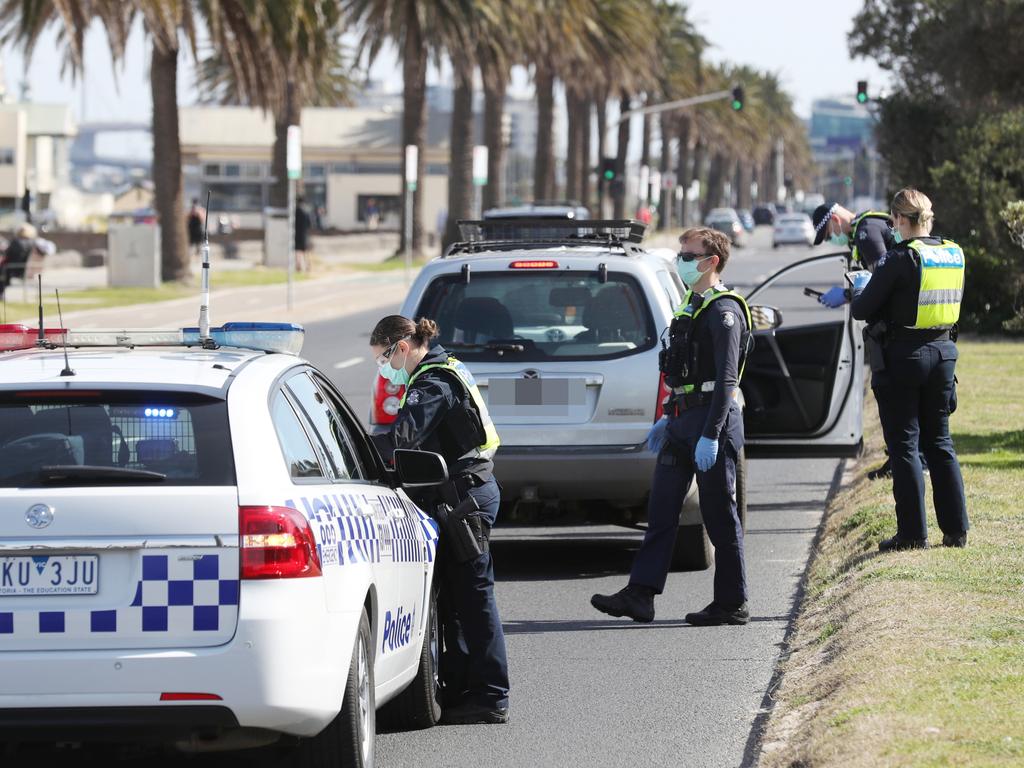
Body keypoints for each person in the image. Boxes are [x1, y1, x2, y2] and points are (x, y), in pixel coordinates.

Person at [591, 227, 753, 626]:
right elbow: (681, 370)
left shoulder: (723, 311)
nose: (682, 260)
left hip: (711, 421)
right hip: (681, 420)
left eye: (689, 254)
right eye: (681, 252)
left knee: (719, 517)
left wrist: (712, 435)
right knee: (661, 511)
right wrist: (667, 415)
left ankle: (732, 603)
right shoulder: (690, 305)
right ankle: (640, 595)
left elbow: (726, 382)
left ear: (711, 261)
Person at [370, 315, 510, 724]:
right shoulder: (442, 367)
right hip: (463, 492)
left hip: (465, 498)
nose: (383, 368)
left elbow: (402, 441)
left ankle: (491, 696)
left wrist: (354, 446)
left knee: (474, 597)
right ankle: (465, 688)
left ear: (401, 347)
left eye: (382, 358)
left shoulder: (432, 383)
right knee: (454, 599)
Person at [850, 188, 969, 551]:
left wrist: (859, 288)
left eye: (894, 221)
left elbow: (863, 309)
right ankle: (956, 531)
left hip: (904, 356)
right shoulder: (952, 252)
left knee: (904, 445)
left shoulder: (898, 258)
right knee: (940, 443)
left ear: (900, 220)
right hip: (944, 352)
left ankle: (913, 535)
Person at [0, 223, 40, 298]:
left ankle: (1, 293)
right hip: (23, 269)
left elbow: (8, 253)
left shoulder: (16, 242)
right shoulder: (32, 242)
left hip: (13, 268)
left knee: (1, 272)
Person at [294, 195, 312, 273]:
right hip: (305, 234)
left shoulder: (296, 211)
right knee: (305, 251)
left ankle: (298, 266)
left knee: (298, 251)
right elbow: (310, 224)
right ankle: (307, 266)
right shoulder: (306, 211)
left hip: (297, 233)